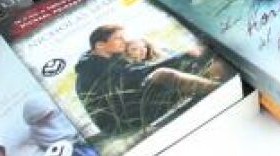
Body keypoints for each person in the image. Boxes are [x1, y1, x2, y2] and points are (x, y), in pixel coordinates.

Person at [73, 25, 220, 137]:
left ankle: (216, 75)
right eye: (119, 38)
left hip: (133, 106)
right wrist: (183, 56)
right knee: (163, 74)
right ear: (100, 45)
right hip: (125, 122)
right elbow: (137, 75)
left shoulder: (106, 59)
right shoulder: (92, 67)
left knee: (198, 63)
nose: (125, 41)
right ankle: (218, 89)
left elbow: (136, 74)